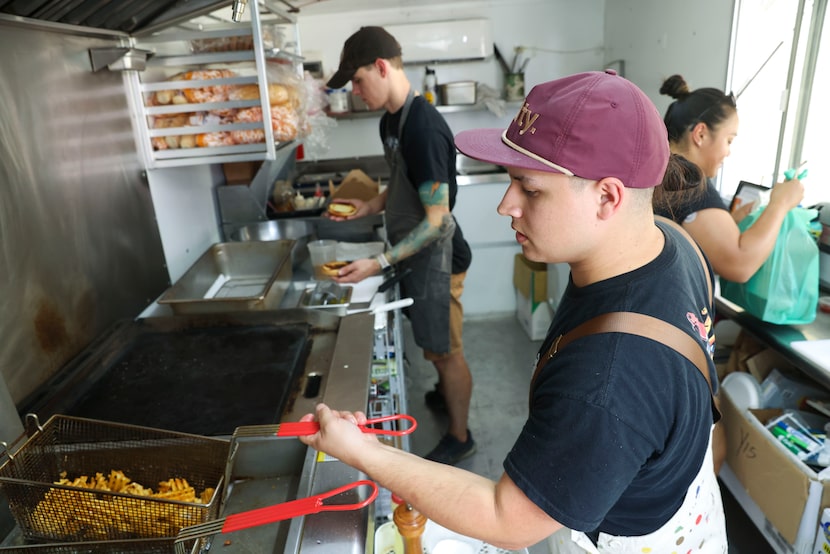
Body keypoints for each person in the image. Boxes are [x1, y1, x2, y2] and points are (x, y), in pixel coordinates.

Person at [299, 70, 728, 553]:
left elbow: (509, 517)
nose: (508, 204)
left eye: (530, 188)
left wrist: (362, 451)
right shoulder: (673, 242)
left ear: (608, 196)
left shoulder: (607, 378)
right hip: (675, 499)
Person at [323, 26, 475, 465]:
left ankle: (461, 436)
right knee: (434, 344)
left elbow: (437, 218)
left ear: (382, 67)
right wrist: (371, 204)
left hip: (441, 260)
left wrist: (380, 261)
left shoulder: (424, 127)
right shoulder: (392, 120)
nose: (354, 92)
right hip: (417, 255)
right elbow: (401, 177)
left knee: (448, 353)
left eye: (357, 81)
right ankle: (445, 393)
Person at [655, 73, 804, 283]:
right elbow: (740, 265)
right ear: (700, 134)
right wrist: (780, 204)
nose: (728, 152)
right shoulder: (688, 185)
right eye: (729, 140)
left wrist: (730, 221)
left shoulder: (657, 170)